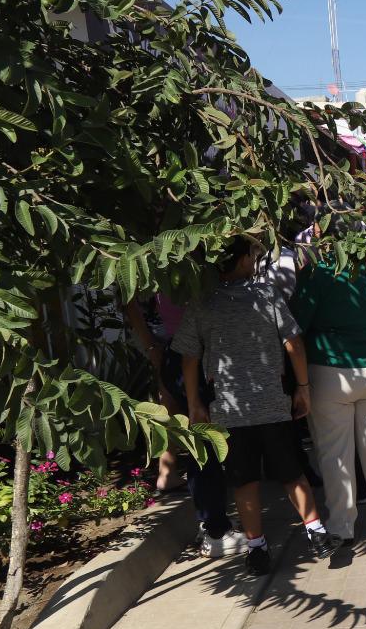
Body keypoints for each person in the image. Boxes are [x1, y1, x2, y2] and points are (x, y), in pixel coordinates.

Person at [174, 238, 340, 576]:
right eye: (252, 255)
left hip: (229, 410)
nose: (256, 260)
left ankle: (257, 548)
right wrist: (303, 387)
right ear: (241, 260)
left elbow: (189, 358)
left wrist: (194, 404)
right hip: (272, 404)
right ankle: (316, 532)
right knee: (291, 473)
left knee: (243, 481)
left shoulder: (201, 303)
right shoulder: (266, 295)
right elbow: (293, 342)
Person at [292, 253, 366, 544]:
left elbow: (298, 322)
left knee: (335, 454)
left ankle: (342, 524)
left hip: (330, 371)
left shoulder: (317, 272)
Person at [123, 294, 241, 556]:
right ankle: (215, 530)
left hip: (182, 355)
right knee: (204, 443)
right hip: (189, 356)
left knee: (200, 441)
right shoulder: (183, 271)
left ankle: (212, 522)